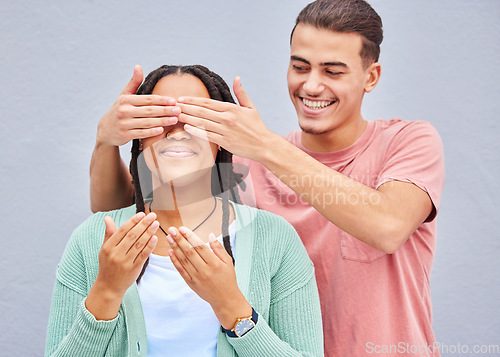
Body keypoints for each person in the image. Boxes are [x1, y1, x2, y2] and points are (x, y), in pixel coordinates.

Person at [88, 1, 445, 356]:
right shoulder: (248, 162)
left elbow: (388, 226)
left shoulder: (407, 141)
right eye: (300, 67)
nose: (312, 85)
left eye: (332, 72)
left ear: (371, 77)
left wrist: (265, 146)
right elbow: (122, 215)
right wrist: (106, 141)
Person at [46, 65, 323, 357]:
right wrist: (106, 291)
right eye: (161, 119)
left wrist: (232, 308)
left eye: (196, 119)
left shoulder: (275, 239)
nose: (178, 132)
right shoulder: (90, 241)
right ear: (140, 138)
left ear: (221, 140)